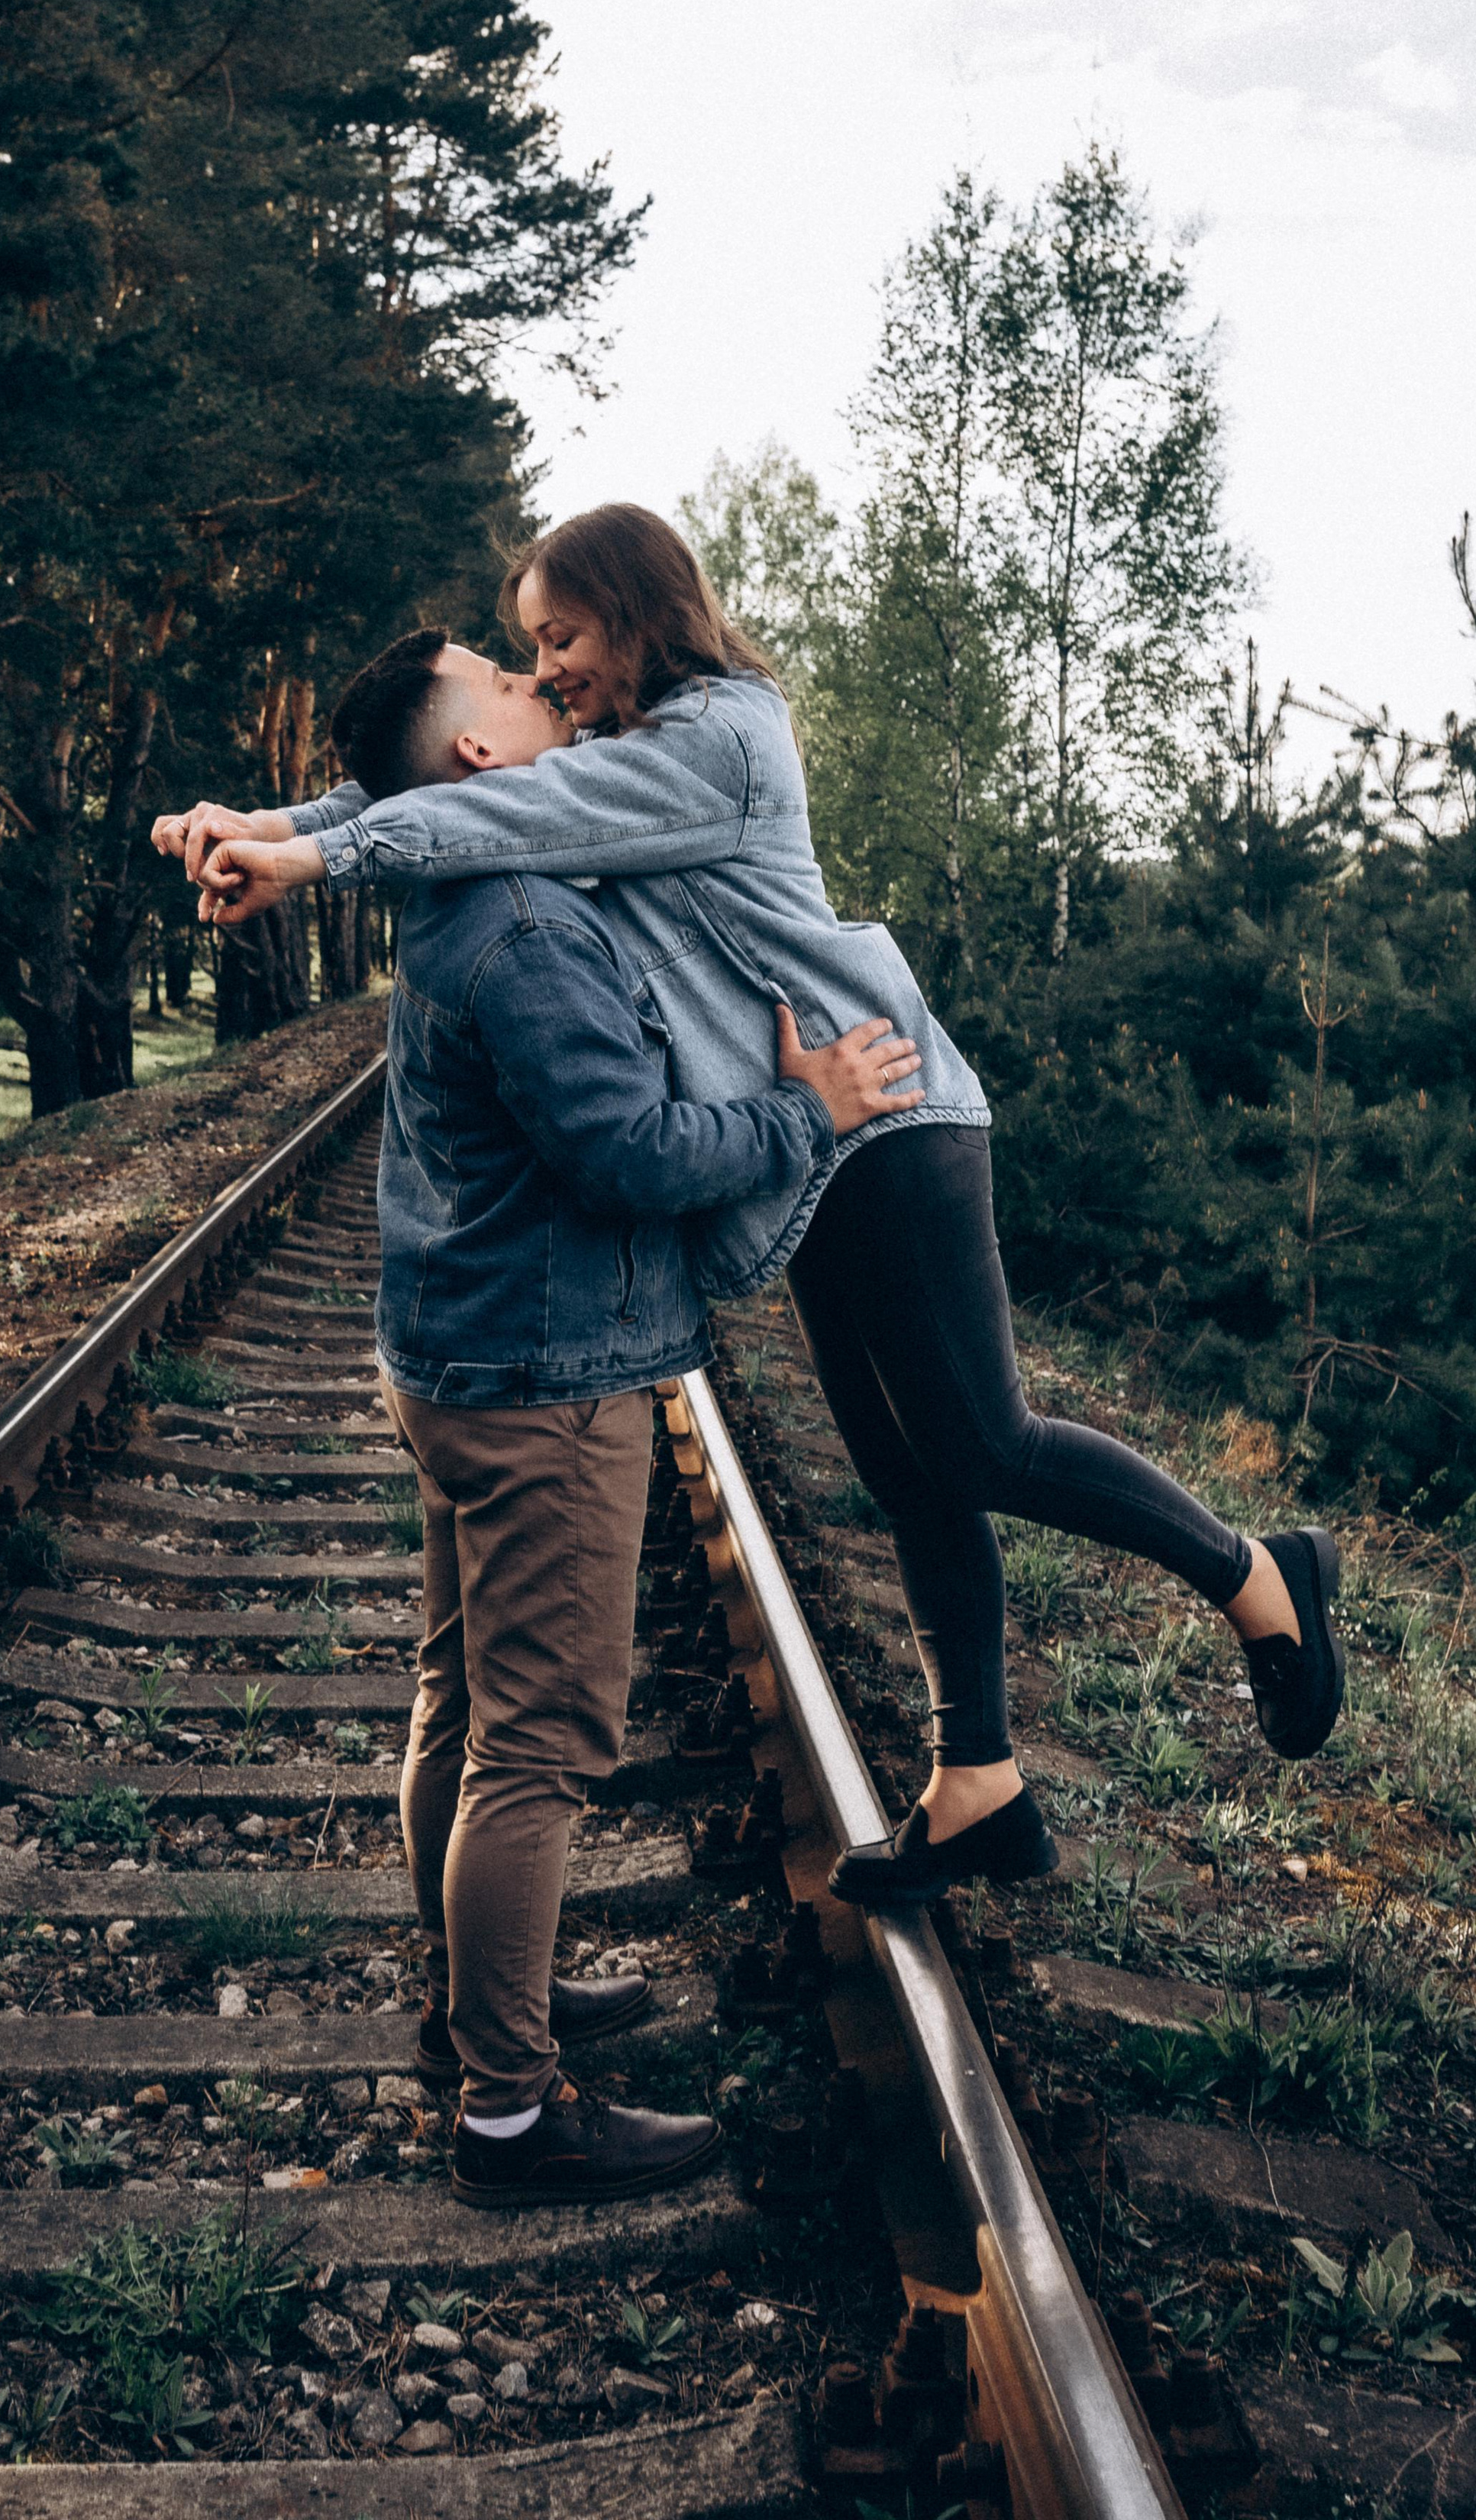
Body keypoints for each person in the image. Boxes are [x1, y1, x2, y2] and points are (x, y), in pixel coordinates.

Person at [153, 506, 1343, 1909]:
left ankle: (1259, 1574)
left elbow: (505, 805)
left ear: (637, 612)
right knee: (903, 1470)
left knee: (982, 1440)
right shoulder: (606, 751)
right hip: (813, 1133)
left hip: (887, 1112)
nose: (545, 675)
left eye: (562, 639)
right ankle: (981, 1786)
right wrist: (264, 824)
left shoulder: (722, 737)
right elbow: (433, 795)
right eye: (528, 653)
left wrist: (303, 864)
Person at [245, 630, 918, 2202]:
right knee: (534, 1745)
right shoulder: (530, 924)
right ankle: (506, 2109)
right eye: (502, 674)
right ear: (475, 754)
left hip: (456, 1353)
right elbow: (635, 1157)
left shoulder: (461, 892)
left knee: (461, 1700)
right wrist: (802, 1108)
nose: (537, 681)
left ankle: (485, 1999)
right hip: (548, 1378)